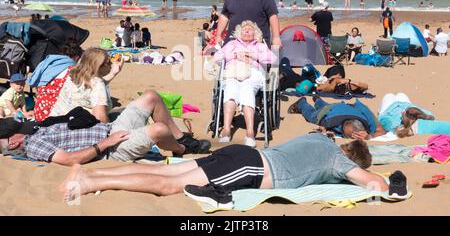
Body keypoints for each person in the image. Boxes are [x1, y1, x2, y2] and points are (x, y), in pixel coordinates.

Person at [60, 133, 394, 207]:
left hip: (242, 153)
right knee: (168, 187)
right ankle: (87, 182)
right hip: (252, 167)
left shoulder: (320, 139)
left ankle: (91, 174)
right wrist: (375, 176)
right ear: (351, 157)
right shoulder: (340, 162)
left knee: (166, 172)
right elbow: (374, 184)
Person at [49, 48, 211, 160]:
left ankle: (180, 138)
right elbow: (101, 119)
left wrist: (114, 72)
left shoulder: (73, 76)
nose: (111, 63)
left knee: (148, 98)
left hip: (67, 132)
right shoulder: (97, 84)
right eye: (107, 62)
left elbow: (95, 85)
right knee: (152, 99)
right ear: (98, 67)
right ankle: (181, 145)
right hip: (99, 139)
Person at [213, 21, 277, 147]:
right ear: (239, 33)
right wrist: (235, 55)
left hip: (254, 72)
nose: (247, 31)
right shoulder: (232, 44)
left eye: (250, 29)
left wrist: (252, 56)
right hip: (233, 72)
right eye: (244, 30)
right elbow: (217, 57)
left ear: (256, 33)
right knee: (230, 90)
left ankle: (250, 132)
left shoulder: (260, 46)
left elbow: (273, 59)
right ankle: (226, 130)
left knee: (247, 90)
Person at [30, 40, 84, 122]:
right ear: (77, 57)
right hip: (56, 116)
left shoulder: (48, 64)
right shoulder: (72, 70)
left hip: (39, 112)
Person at [288, 96, 385, 140]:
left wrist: (370, 136)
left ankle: (318, 101)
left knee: (325, 106)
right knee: (312, 116)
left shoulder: (368, 118)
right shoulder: (331, 121)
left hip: (339, 107)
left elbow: (382, 131)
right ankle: (302, 103)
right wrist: (323, 129)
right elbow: (323, 127)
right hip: (328, 112)